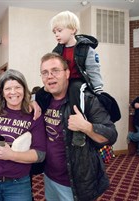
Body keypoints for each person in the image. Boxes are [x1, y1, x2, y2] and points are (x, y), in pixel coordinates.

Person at [36, 53, 117, 201]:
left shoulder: (86, 99)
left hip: (76, 183)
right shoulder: (44, 101)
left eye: (55, 70)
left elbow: (111, 135)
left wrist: (86, 127)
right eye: (45, 72)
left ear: (67, 73)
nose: (50, 76)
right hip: (49, 177)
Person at [0, 69, 46, 201]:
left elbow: (40, 154)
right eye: (8, 88)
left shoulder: (34, 115)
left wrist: (11, 155)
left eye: (17, 87)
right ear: (1, 91)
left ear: (25, 89)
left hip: (17, 184)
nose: (13, 92)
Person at [44, 10, 104, 147]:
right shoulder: (57, 50)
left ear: (72, 29)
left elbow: (93, 69)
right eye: (54, 32)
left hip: (79, 81)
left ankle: (79, 131)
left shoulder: (86, 49)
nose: (56, 35)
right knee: (43, 91)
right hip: (62, 82)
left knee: (75, 88)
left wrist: (98, 89)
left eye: (59, 30)